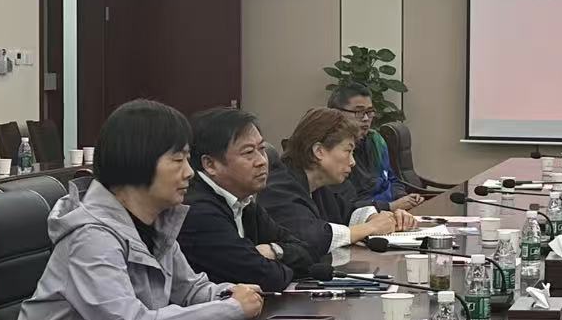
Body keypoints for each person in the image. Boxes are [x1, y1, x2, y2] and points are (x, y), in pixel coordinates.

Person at [0, 100, 262, 320]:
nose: (189, 172)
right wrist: (229, 309)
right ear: (138, 161)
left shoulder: (155, 223)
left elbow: (190, 291)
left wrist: (231, 294)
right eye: (178, 160)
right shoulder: (91, 237)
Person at [178, 107, 324, 293]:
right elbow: (267, 278)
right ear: (210, 164)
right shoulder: (198, 211)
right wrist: (276, 263)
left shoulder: (244, 203)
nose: (262, 161)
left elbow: (308, 252)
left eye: (261, 149)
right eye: (248, 152)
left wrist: (274, 251)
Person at [261, 107, 415, 258]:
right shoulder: (280, 187)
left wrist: (377, 218)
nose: (353, 162)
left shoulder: (318, 186)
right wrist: (370, 228)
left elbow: (348, 213)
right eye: (348, 151)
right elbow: (309, 237)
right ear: (319, 151)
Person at [329, 84, 423, 214]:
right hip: (366, 217)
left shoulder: (376, 140)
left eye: (369, 112)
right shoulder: (333, 151)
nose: (366, 118)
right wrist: (389, 206)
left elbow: (392, 179)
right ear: (336, 113)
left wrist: (402, 197)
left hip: (393, 212)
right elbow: (346, 206)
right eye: (359, 112)